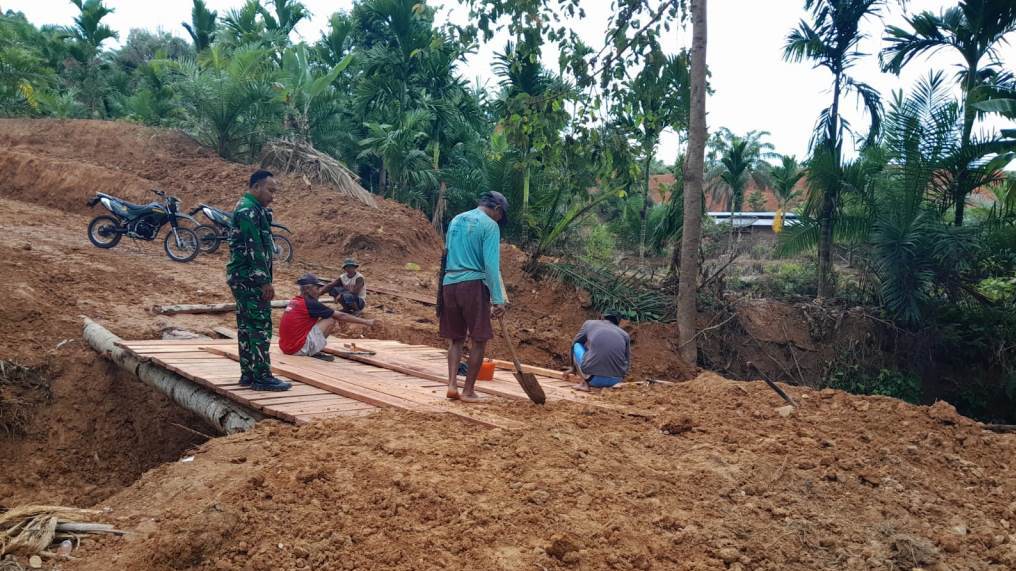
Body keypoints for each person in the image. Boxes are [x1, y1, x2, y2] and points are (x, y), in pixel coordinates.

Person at [439, 191, 509, 403]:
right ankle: (468, 391)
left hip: (449, 283)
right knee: (479, 339)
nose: (500, 219)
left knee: (456, 339)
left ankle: (452, 385)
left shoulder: (456, 219)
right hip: (473, 285)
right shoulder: (489, 225)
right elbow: (490, 265)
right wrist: (498, 298)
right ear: (496, 209)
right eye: (501, 215)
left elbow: (446, 252)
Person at [226, 170, 291, 392]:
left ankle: (249, 375)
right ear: (256, 187)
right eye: (270, 190)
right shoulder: (248, 211)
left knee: (246, 325)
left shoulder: (252, 208)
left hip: (242, 277)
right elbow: (254, 247)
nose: (273, 196)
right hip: (250, 279)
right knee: (260, 325)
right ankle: (262, 377)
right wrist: (264, 281)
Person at [279, 273, 375, 360]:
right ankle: (313, 351)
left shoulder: (295, 301)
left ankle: (309, 347)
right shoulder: (310, 304)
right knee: (330, 319)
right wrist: (367, 322)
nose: (319, 292)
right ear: (308, 289)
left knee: (321, 318)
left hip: (285, 347)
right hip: (296, 349)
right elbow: (341, 315)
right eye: (317, 288)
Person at [568, 312, 631, 392]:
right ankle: (607, 382)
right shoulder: (625, 335)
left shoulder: (589, 324)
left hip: (593, 379)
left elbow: (574, 343)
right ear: (617, 323)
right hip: (616, 380)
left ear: (601, 318)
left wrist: (572, 367)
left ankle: (584, 384)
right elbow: (627, 361)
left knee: (577, 345)